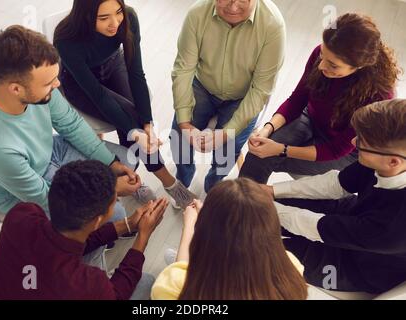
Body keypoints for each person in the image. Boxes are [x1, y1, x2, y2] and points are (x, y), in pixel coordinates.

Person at [0, 25, 147, 219]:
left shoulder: (24, 82)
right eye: (49, 83)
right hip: (23, 195)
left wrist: (110, 163)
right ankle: (94, 241)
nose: (57, 85)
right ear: (16, 89)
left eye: (54, 77)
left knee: (125, 161)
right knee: (113, 215)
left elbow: (71, 124)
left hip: (49, 150)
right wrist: (109, 189)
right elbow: (45, 198)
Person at [54, 0, 195, 209]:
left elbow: (136, 73)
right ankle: (169, 183)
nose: (115, 23)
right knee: (130, 120)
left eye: (118, 12)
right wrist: (135, 131)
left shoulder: (129, 18)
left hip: (112, 64)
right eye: (103, 18)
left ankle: (131, 179)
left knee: (137, 120)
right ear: (85, 16)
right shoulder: (66, 40)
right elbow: (98, 95)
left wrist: (148, 124)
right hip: (80, 84)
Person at [262, 99, 406, 294]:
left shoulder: (394, 226)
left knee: (257, 256)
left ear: (393, 162)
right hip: (354, 215)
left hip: (355, 266)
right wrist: (272, 192)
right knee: (267, 208)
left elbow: (318, 228)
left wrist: (263, 206)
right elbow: (336, 184)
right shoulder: (381, 159)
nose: (354, 143)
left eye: (361, 142)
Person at [240, 13, 400, 183]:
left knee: (268, 157)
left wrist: (281, 149)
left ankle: (254, 205)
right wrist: (267, 129)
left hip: (344, 149)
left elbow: (337, 149)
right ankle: (238, 204)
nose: (321, 65)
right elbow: (296, 100)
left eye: (333, 65)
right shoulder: (320, 54)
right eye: (323, 54)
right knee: (258, 154)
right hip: (310, 118)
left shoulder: (379, 95)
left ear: (359, 66)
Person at [0, 160, 169, 299]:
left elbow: (64, 244)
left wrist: (127, 224)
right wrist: (143, 236)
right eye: (115, 201)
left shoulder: (21, 215)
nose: (116, 203)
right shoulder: (86, 284)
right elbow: (116, 295)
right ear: (98, 220)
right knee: (146, 283)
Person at [170, 0, 286, 193]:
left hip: (244, 96)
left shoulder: (273, 25)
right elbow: (183, 70)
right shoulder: (197, 14)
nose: (233, 7)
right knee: (178, 138)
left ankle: (213, 185)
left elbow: (260, 89)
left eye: (243, 0)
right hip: (203, 86)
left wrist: (227, 132)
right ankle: (183, 178)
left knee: (228, 151)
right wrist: (184, 123)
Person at [151, 178, 313, 300]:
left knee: (162, 273)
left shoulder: (172, 286)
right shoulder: (292, 268)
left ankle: (190, 263)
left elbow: (178, 278)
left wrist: (190, 226)